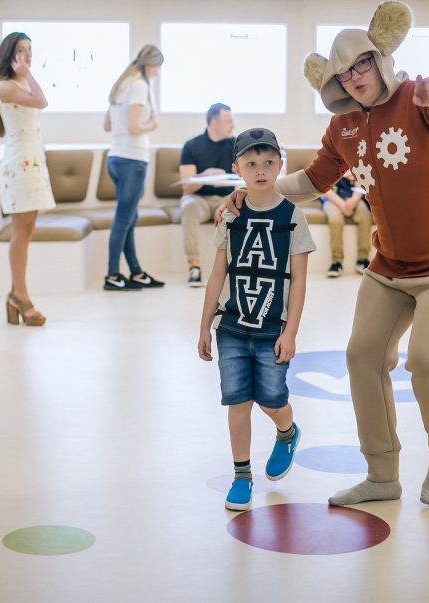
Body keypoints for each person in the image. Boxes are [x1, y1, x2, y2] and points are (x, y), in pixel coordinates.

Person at [224, 1, 429, 506]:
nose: (354, 76)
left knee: (427, 360)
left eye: (361, 63)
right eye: (342, 71)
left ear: (379, 59)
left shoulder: (415, 97)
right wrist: (255, 189)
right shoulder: (342, 130)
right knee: (361, 356)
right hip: (390, 266)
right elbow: (310, 182)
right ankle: (382, 476)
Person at [198, 128, 316, 511]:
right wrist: (204, 327)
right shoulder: (230, 215)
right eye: (251, 163)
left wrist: (292, 332)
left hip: (271, 328)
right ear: (237, 168)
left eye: (268, 162)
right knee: (238, 403)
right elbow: (218, 273)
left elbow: (298, 281)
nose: (260, 170)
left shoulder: (293, 217)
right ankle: (242, 475)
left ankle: (286, 431)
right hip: (230, 325)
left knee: (271, 400)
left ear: (281, 165)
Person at [0, 31, 54, 326]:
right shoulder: (6, 86)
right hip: (19, 166)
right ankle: (20, 295)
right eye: (21, 51)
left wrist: (27, 74)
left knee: (26, 232)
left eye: (29, 50)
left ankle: (16, 294)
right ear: (10, 55)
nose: (27, 55)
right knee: (20, 234)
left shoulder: (21, 83)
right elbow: (42, 101)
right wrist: (28, 75)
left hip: (32, 163)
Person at [102, 45, 166, 291]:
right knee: (123, 219)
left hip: (115, 158)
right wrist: (153, 123)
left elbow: (107, 125)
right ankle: (112, 275)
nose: (158, 72)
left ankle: (135, 271)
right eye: (158, 67)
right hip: (132, 160)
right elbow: (134, 127)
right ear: (151, 64)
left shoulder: (121, 84)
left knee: (129, 217)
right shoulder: (139, 85)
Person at [179, 103, 236, 287]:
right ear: (213, 122)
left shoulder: (236, 145)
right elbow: (187, 187)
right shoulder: (192, 146)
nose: (232, 126)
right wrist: (204, 176)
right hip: (199, 199)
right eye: (228, 121)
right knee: (188, 207)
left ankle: (235, 268)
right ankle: (194, 267)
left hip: (225, 199)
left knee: (240, 210)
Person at [321, 169, 373, 277]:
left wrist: (353, 201)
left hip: (354, 197)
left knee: (365, 216)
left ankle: (362, 260)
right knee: (335, 220)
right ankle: (337, 262)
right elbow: (324, 189)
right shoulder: (326, 160)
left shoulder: (355, 157)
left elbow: (361, 182)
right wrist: (342, 205)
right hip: (332, 199)